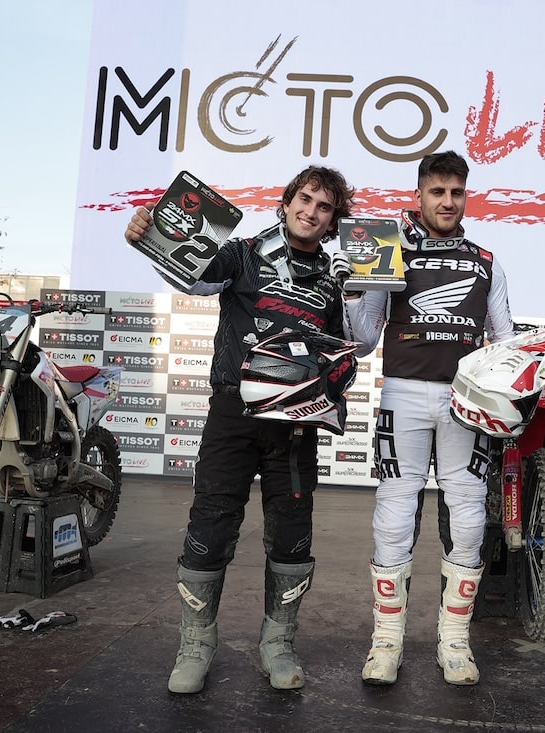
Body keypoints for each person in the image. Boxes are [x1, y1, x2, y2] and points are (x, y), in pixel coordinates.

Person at [123, 166, 361, 694]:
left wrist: (357, 295)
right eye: (305, 199)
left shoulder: (336, 275)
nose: (311, 212)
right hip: (233, 411)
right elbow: (194, 277)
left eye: (324, 207)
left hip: (295, 422)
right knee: (211, 526)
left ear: (333, 221)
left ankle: (279, 644)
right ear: (287, 202)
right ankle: (195, 645)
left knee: (292, 535)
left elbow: (351, 346)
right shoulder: (245, 253)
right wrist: (150, 237)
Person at [347, 151, 515, 687]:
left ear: (466, 196)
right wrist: (354, 290)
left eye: (456, 192)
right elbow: (364, 339)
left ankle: (455, 642)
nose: (447, 201)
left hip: (466, 400)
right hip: (402, 392)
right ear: (419, 195)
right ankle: (386, 643)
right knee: (394, 515)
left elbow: (505, 341)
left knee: (468, 516)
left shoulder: (486, 261)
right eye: (437, 192)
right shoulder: (390, 249)